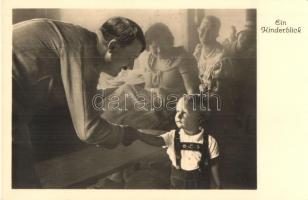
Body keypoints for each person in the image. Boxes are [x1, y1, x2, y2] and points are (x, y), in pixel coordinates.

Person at [12, 17, 146, 188]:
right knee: (23, 179)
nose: (131, 66)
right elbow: (87, 129)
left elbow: (67, 100)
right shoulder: (83, 51)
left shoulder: (82, 43)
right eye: (131, 57)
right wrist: (128, 134)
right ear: (112, 46)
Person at [101, 23, 199, 130]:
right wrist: (153, 92)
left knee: (126, 117)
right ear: (148, 46)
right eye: (155, 47)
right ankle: (99, 120)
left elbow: (192, 93)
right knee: (126, 89)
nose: (159, 51)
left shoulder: (183, 59)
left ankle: (107, 128)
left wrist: (182, 110)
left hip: (169, 108)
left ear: (170, 41)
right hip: (150, 101)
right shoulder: (151, 59)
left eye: (163, 46)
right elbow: (148, 87)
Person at [138, 94, 221, 189]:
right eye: (177, 111)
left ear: (200, 118)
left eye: (184, 112)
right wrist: (139, 135)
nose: (179, 115)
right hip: (178, 182)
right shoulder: (173, 136)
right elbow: (157, 141)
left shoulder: (210, 141)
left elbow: (213, 164)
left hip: (200, 183)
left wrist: (217, 183)